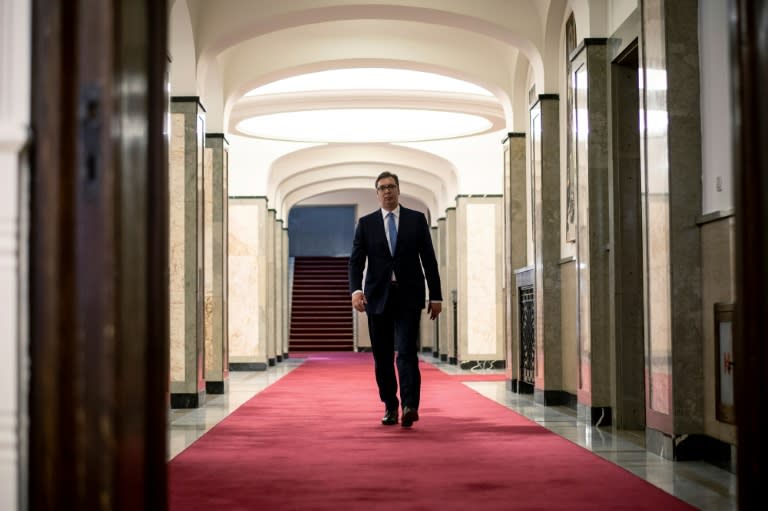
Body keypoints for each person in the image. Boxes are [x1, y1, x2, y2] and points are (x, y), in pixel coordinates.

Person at [349, 171, 442, 428]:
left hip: (409, 297)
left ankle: (410, 406)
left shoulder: (416, 219)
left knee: (407, 352)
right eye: (382, 188)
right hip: (377, 298)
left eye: (391, 187)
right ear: (376, 193)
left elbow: (429, 260)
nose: (387, 191)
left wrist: (435, 295)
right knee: (382, 356)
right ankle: (390, 405)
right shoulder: (366, 224)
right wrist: (356, 291)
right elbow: (356, 262)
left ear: (399, 190)